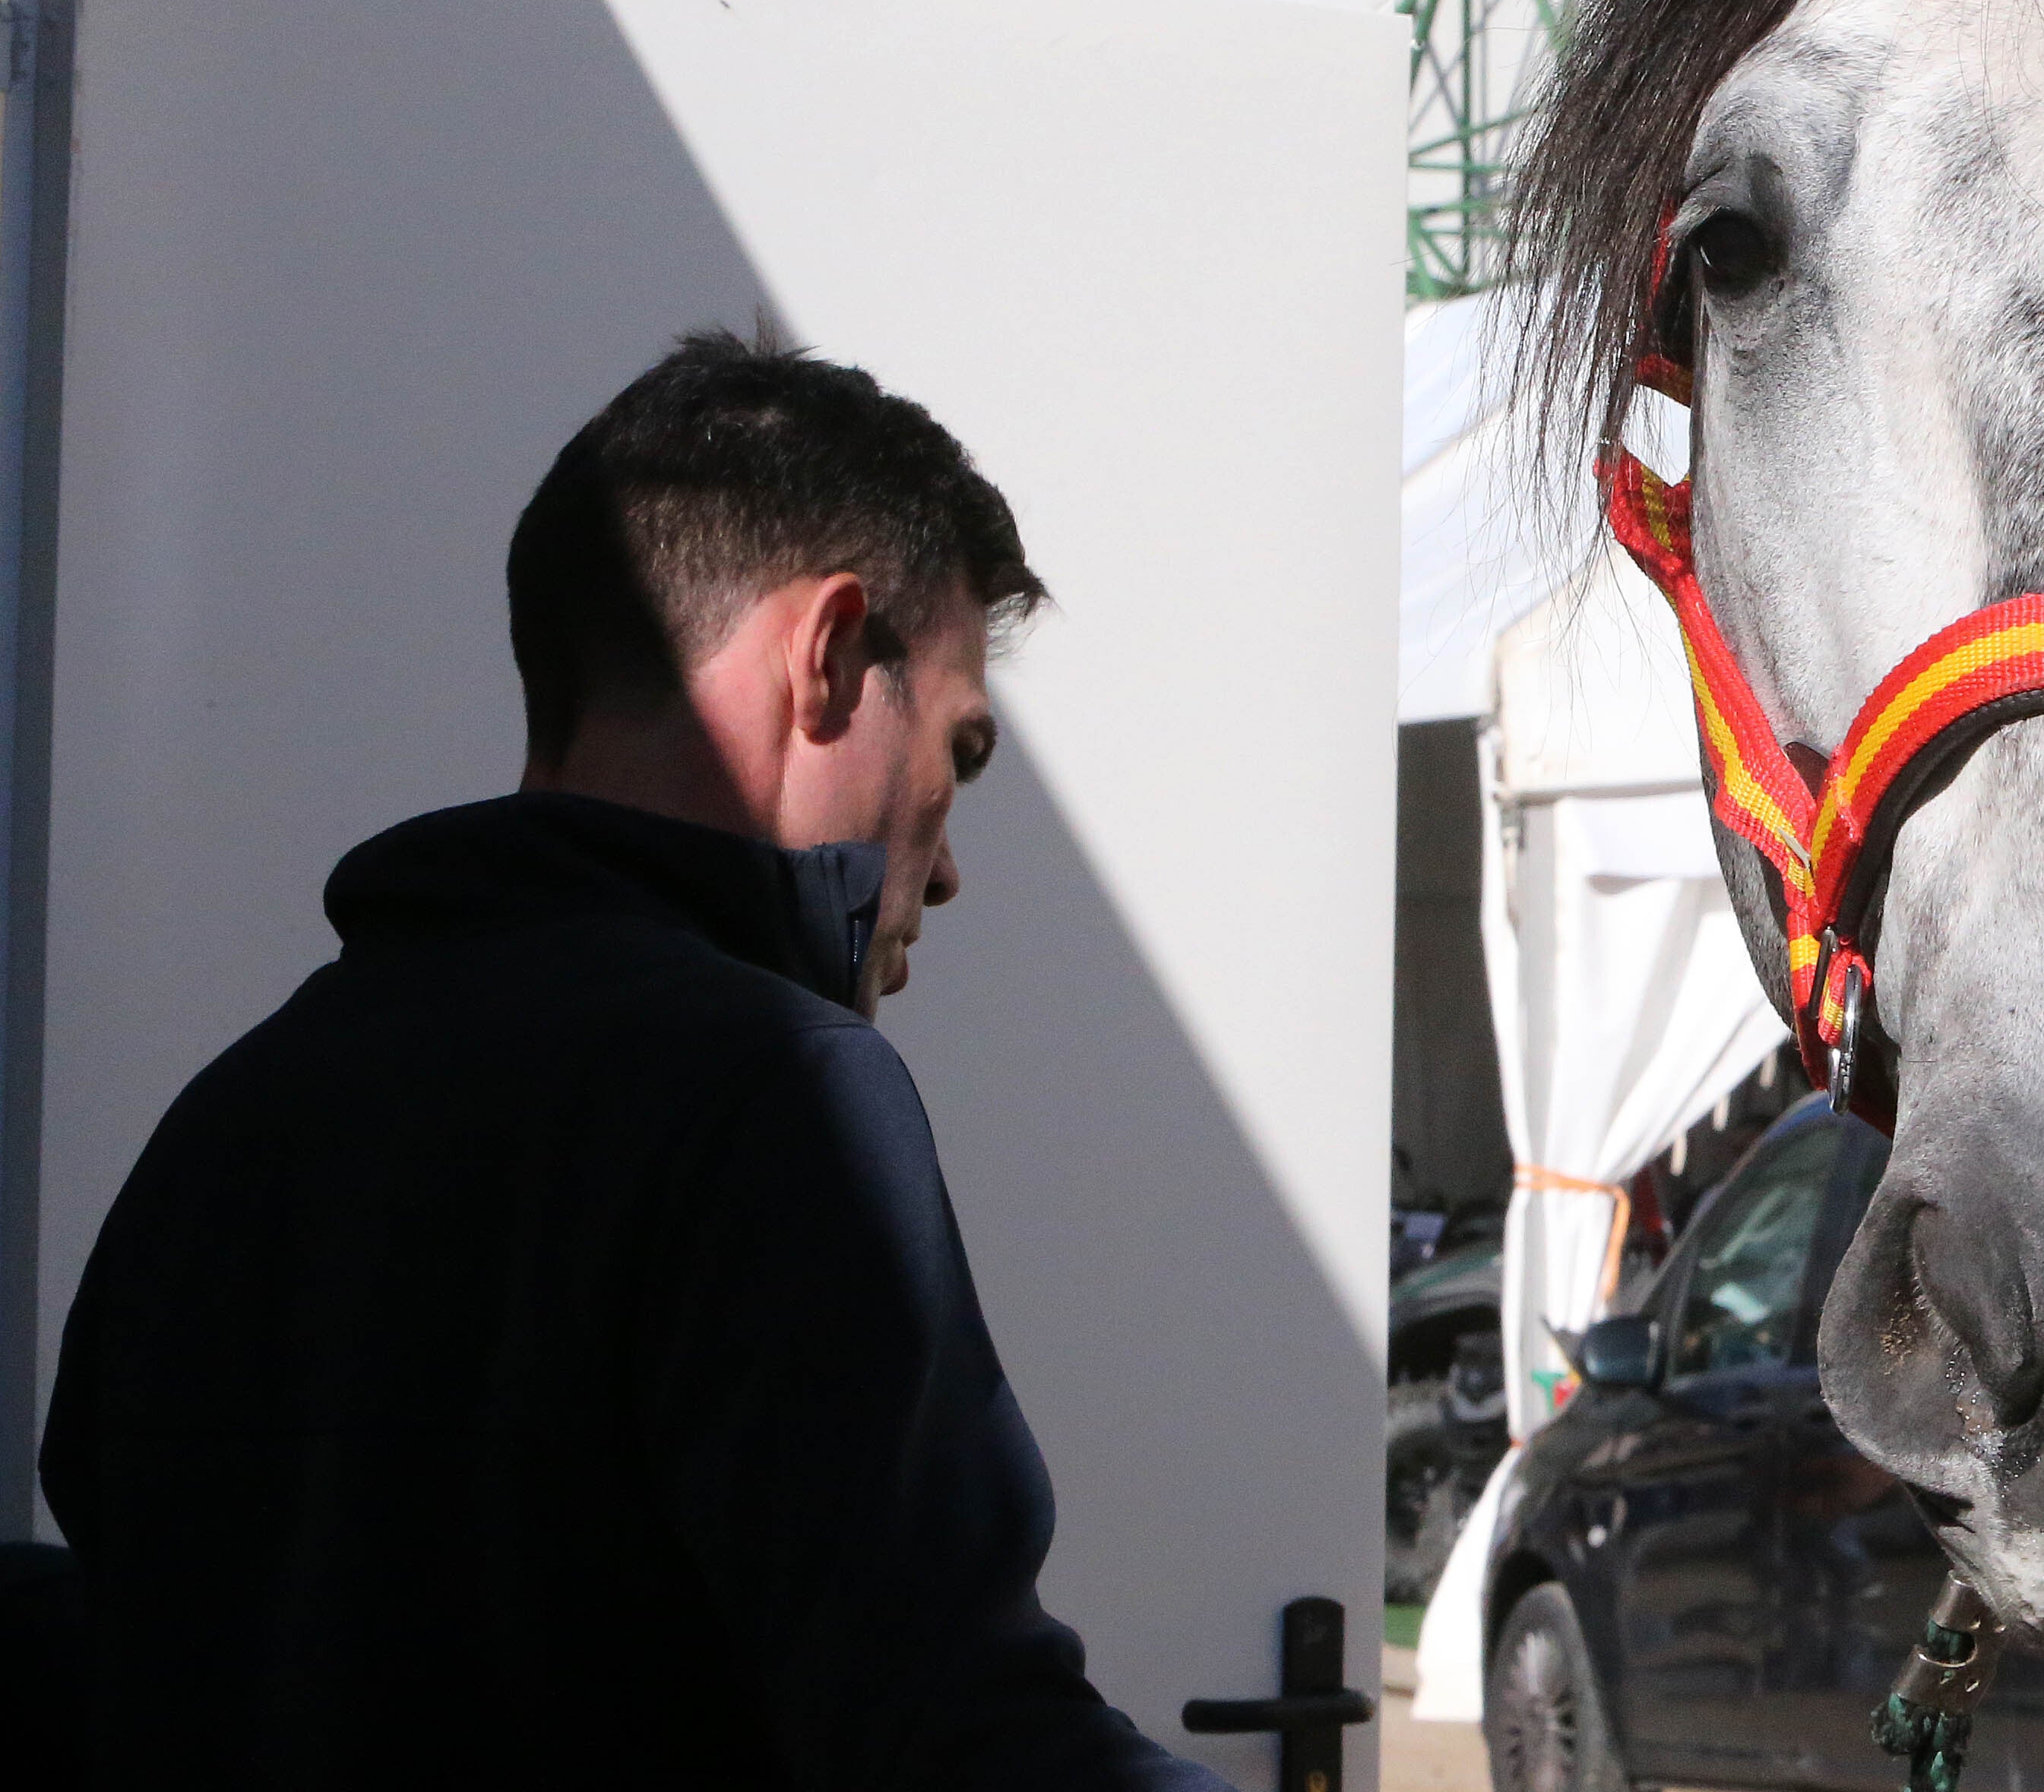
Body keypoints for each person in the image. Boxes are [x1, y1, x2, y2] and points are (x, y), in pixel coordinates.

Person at [40, 331, 1226, 1788]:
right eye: (960, 752)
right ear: (830, 654)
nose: (949, 866)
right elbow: (960, 1736)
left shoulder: (232, 1122)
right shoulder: (776, 1092)